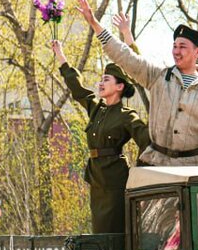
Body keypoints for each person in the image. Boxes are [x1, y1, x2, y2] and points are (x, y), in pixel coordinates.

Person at [76, 0, 198, 167]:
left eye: (182, 46)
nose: (176, 51)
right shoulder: (158, 76)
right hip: (157, 164)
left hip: (195, 167)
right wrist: (94, 24)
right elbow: (124, 55)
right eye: (174, 46)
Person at [51, 40, 150, 233]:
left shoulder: (126, 115)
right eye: (101, 79)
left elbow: (147, 142)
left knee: (114, 230)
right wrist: (61, 56)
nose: (100, 83)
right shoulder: (97, 109)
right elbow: (77, 89)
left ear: (119, 86)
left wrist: (139, 174)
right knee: (99, 231)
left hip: (115, 180)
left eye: (106, 80)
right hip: (97, 178)